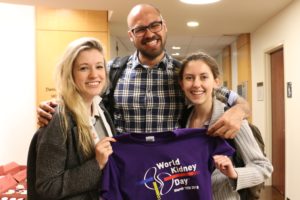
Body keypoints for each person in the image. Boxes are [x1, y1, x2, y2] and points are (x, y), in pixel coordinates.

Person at [37, 3, 250, 138]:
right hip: (123, 169)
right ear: (131, 35)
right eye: (139, 29)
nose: (149, 34)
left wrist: (238, 112)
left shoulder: (183, 75)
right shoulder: (111, 71)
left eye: (154, 25)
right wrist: (53, 107)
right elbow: (79, 97)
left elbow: (237, 101)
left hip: (171, 168)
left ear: (164, 26)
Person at [27, 37, 117, 199]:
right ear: (70, 74)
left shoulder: (100, 109)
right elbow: (47, 186)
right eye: (83, 68)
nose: (94, 74)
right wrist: (96, 165)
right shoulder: (58, 119)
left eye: (99, 66)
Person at [178, 51, 273, 200]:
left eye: (204, 77)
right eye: (189, 78)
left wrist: (234, 173)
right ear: (182, 84)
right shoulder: (183, 119)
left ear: (216, 82)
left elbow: (264, 167)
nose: (196, 84)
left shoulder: (232, 120)